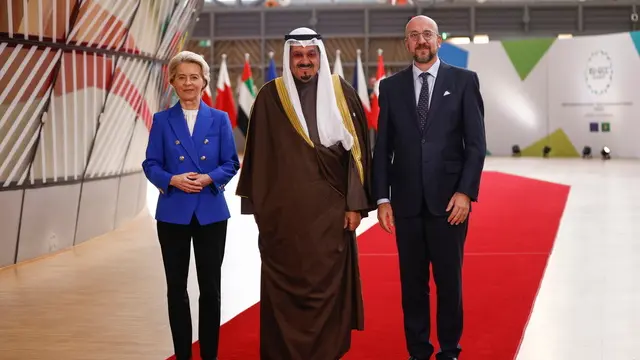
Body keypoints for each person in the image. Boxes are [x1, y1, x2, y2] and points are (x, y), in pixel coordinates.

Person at [235, 27, 374, 360]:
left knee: (326, 287)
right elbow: (257, 159)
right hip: (283, 219)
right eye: (297, 55)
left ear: (320, 56)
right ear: (288, 58)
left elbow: (358, 154)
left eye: (311, 54)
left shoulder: (343, 93)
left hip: (331, 216)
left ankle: (326, 351)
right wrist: (261, 213)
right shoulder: (271, 96)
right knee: (284, 288)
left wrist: (355, 205)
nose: (305, 61)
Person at [371, 16, 486, 360]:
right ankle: (418, 351)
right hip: (406, 205)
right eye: (414, 36)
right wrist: (381, 198)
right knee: (413, 286)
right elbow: (383, 147)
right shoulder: (390, 87)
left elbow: (476, 145)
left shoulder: (464, 81)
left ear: (438, 40)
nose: (421, 41)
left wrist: (466, 193)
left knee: (449, 284)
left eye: (427, 35)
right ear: (406, 44)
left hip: (450, 204)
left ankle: (449, 350)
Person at [142, 50, 240, 360]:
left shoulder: (220, 118)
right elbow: (151, 164)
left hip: (211, 212)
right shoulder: (161, 120)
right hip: (173, 213)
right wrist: (172, 180)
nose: (188, 82)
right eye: (181, 77)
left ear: (204, 82)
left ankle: (209, 355)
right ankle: (183, 355)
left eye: (194, 77)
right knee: (176, 289)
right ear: (171, 82)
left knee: (210, 289)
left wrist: (209, 178)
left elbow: (231, 162)